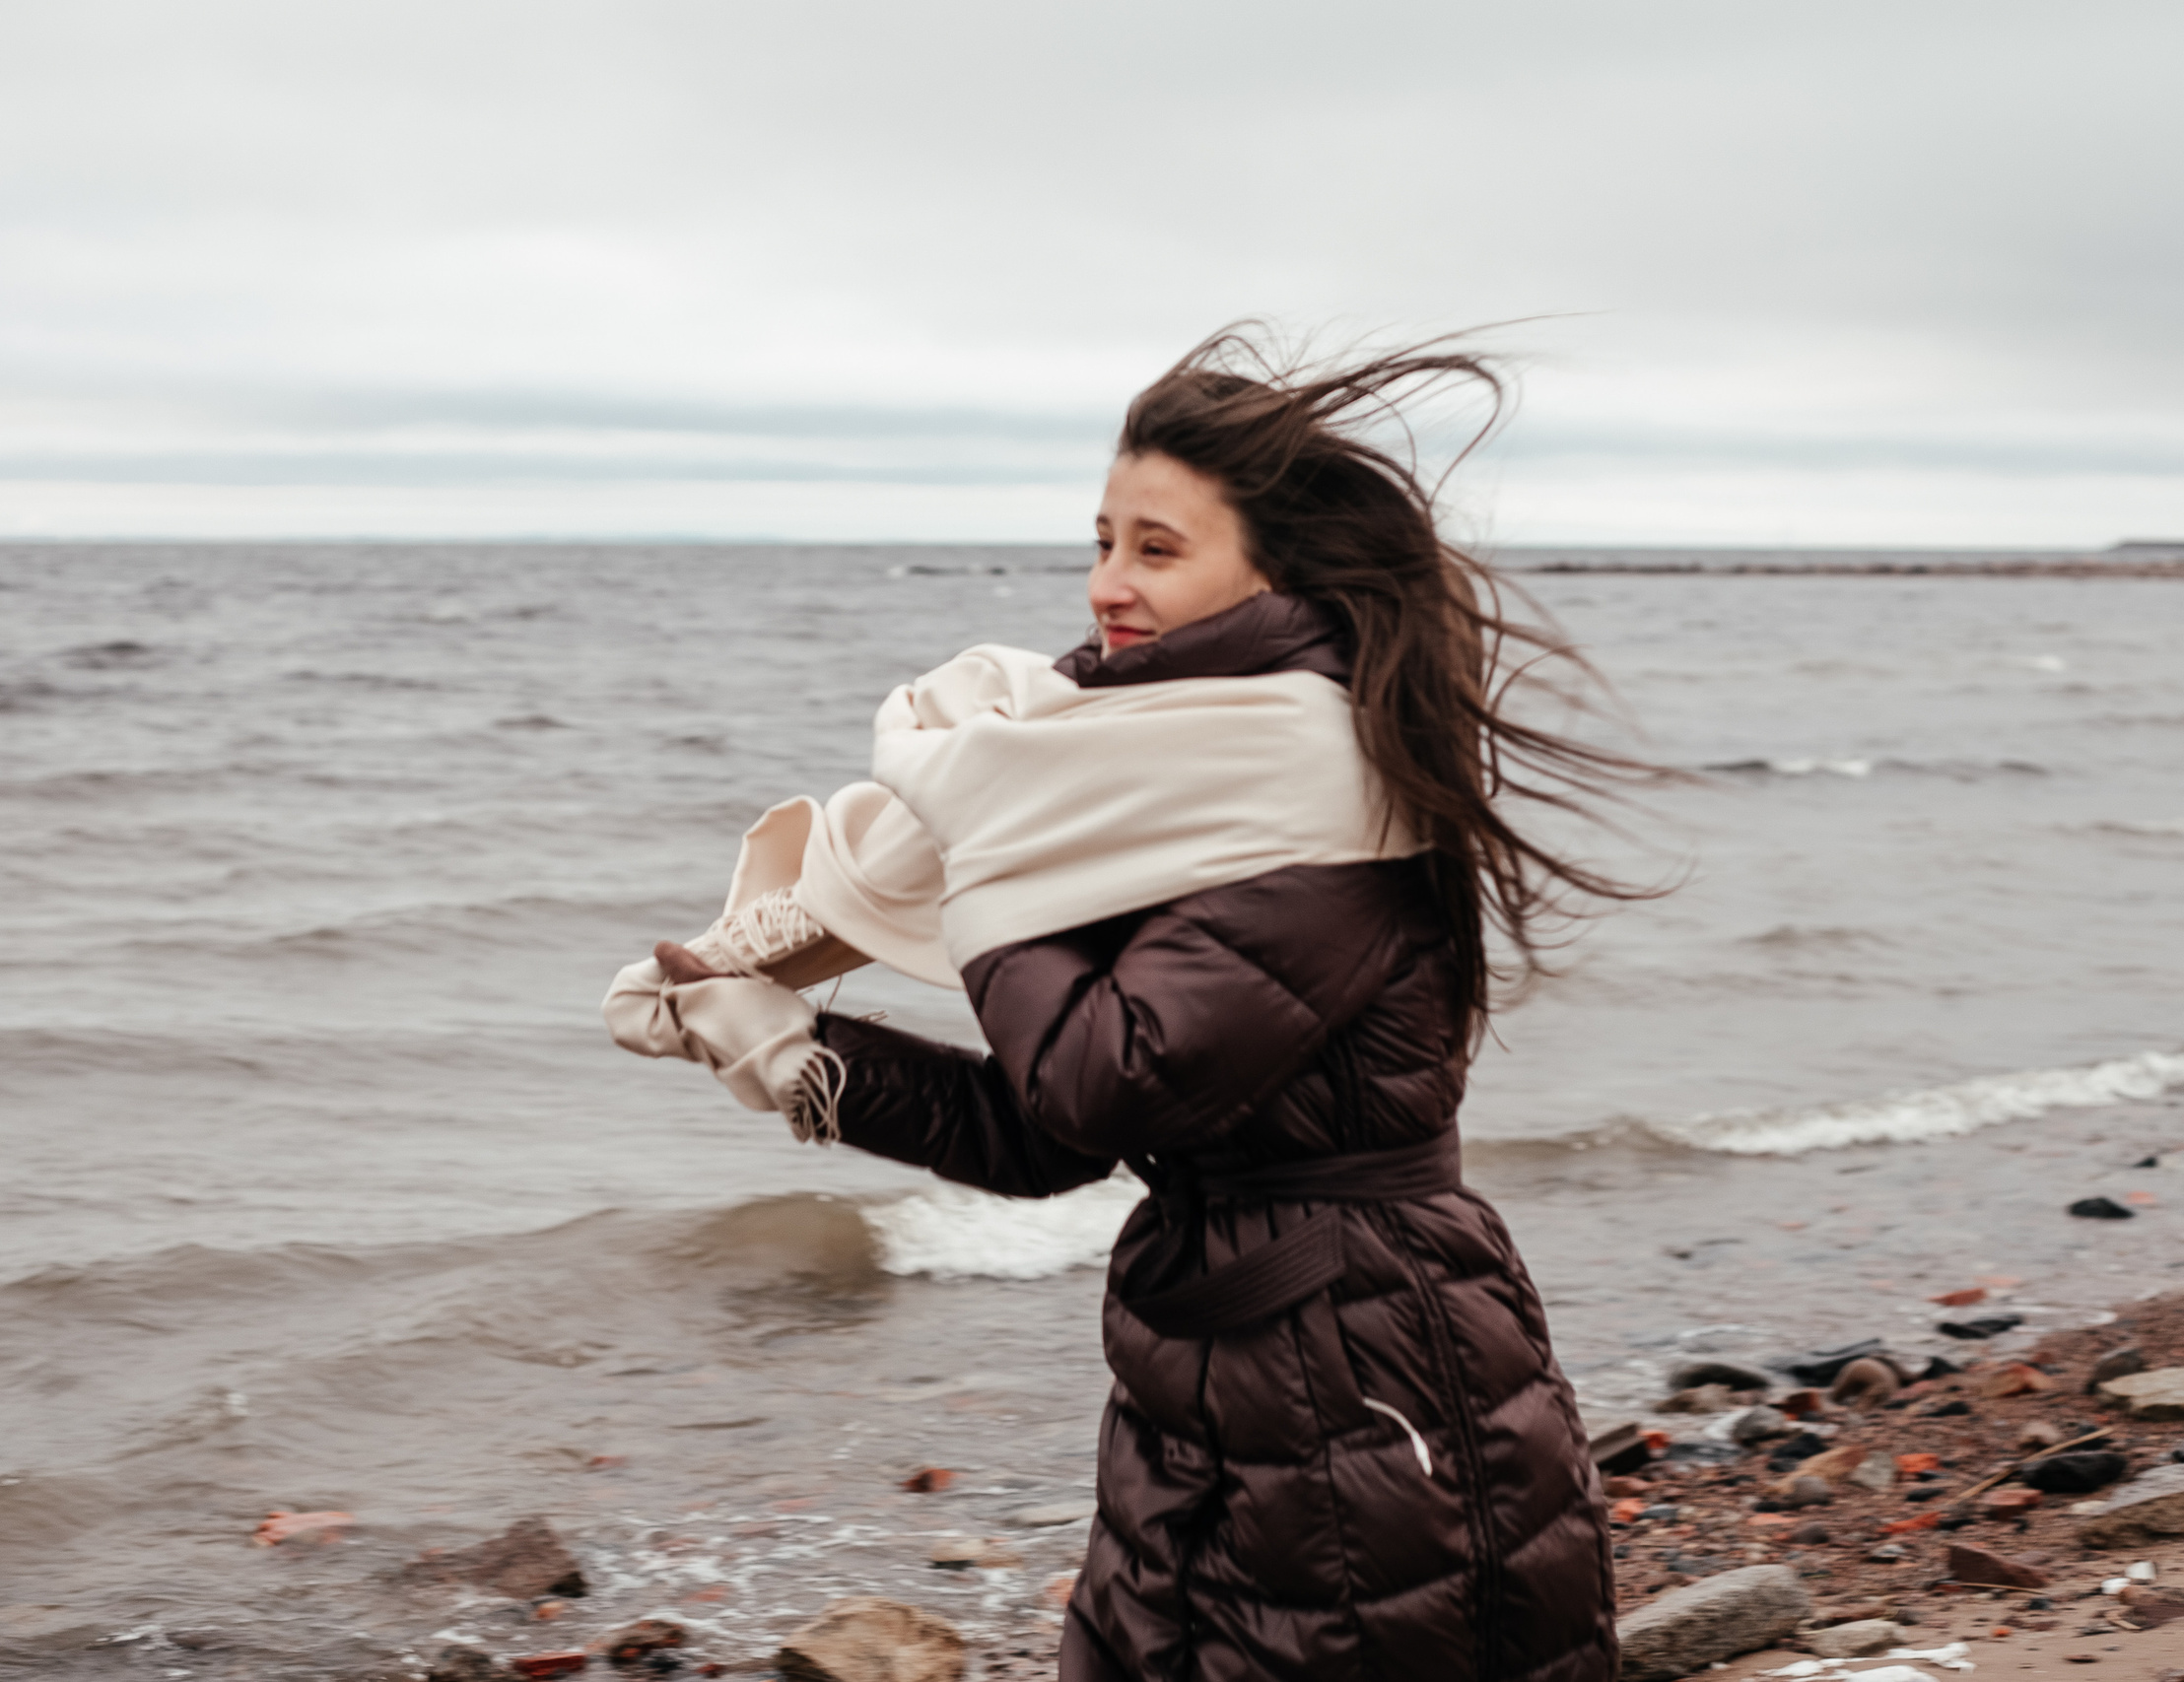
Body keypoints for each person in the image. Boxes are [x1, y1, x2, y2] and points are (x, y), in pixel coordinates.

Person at [606, 331, 1649, 1681]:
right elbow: (1050, 1137)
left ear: (1274, 574)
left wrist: (991, 842)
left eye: (1157, 549)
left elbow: (1096, 1080)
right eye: (1102, 542)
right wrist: (794, 1051)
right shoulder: (1163, 787)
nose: (1108, 585)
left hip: (1368, 1372)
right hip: (1216, 1371)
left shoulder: (1324, 791)